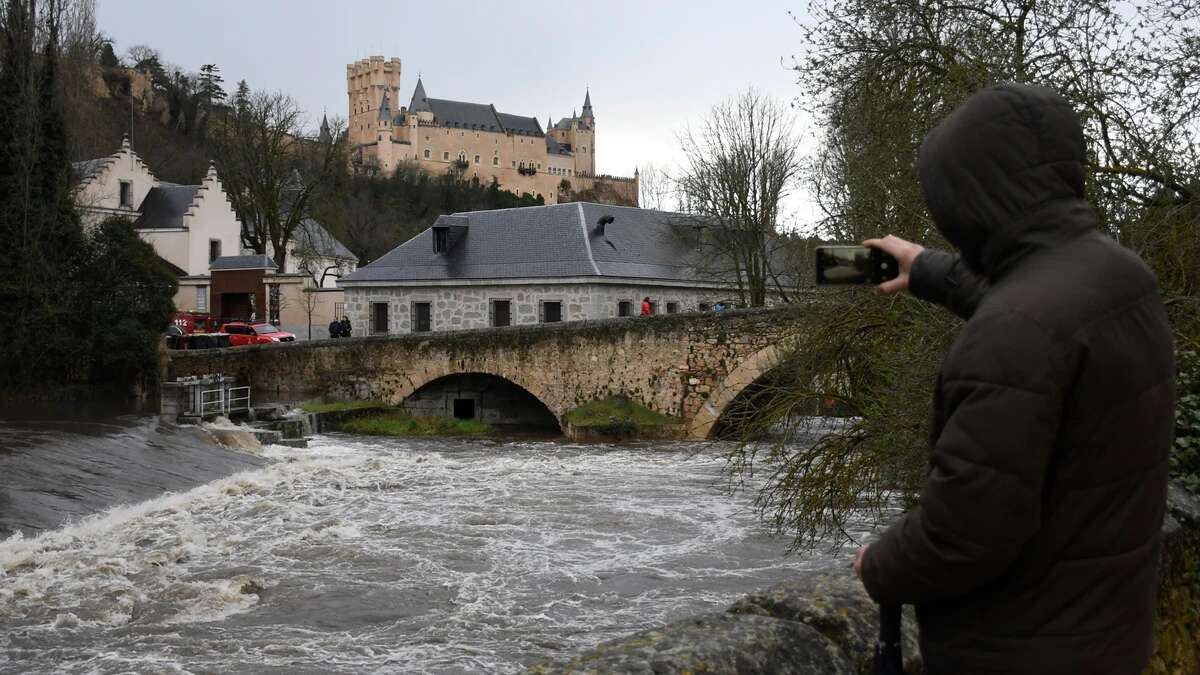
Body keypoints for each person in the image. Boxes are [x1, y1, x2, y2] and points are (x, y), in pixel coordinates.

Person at [856, 83, 1174, 674]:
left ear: (971, 201)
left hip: (1018, 651)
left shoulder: (1011, 336)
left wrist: (879, 565)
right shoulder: (1122, 277)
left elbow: (962, 535)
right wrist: (926, 268)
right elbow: (1035, 302)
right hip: (1107, 639)